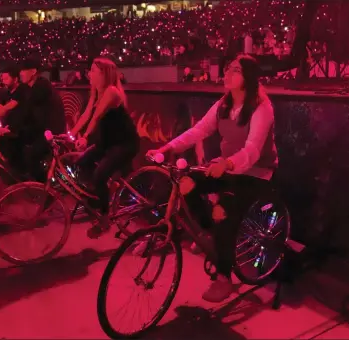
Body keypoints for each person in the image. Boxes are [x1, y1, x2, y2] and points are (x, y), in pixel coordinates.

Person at [147, 54, 278, 302]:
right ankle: (210, 235)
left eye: (235, 70)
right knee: (186, 183)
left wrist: (228, 162)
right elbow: (199, 130)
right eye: (227, 69)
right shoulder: (223, 104)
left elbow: (252, 150)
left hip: (255, 173)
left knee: (224, 215)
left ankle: (224, 278)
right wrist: (167, 149)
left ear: (248, 78)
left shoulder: (262, 107)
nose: (227, 74)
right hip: (226, 167)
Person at [70, 57, 139, 239]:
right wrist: (71, 133)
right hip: (107, 142)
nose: (89, 74)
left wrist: (84, 137)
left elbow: (97, 116)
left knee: (99, 175)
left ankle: (105, 217)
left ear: (104, 74)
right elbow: (87, 114)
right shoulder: (97, 92)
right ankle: (107, 189)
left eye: (93, 71)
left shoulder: (111, 92)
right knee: (82, 163)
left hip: (124, 143)